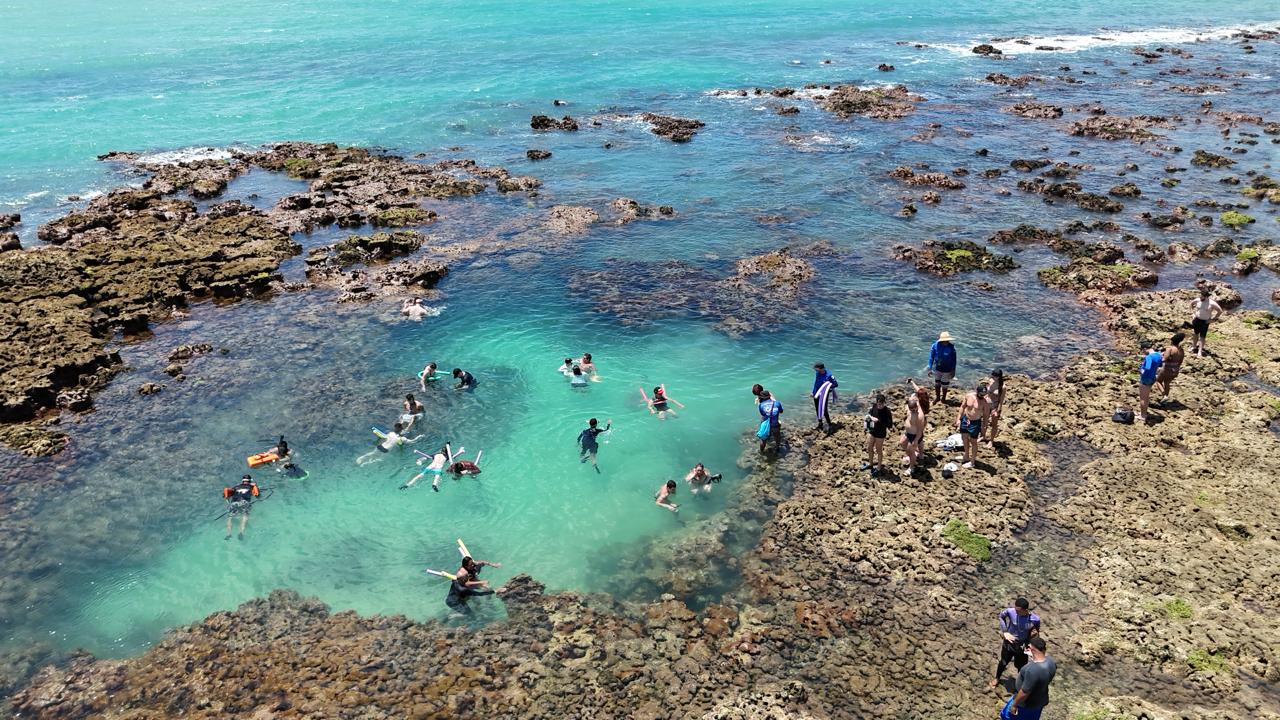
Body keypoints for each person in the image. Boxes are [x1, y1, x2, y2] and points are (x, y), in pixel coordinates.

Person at [989, 597, 1041, 689]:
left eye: (1018, 611)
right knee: (1003, 662)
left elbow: (1036, 631)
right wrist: (1005, 632)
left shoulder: (1034, 619)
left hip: (1022, 646)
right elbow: (1001, 616)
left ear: (1025, 610)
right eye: (1015, 609)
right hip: (1009, 643)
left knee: (1021, 667)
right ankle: (997, 678)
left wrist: (1031, 644)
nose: (1016, 612)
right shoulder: (1010, 611)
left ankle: (1020, 684)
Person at [1000, 637, 1056, 720]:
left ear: (1031, 649)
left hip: (1025, 705)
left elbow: (1024, 692)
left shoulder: (1032, 670)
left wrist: (1014, 705)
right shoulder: (1051, 662)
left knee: (1005, 716)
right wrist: (1033, 655)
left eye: (1029, 647)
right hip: (1040, 701)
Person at [955, 382, 989, 469]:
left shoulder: (985, 402)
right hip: (966, 420)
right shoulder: (969, 396)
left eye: (984, 394)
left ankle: (972, 461)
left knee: (973, 442)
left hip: (975, 423)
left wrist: (984, 427)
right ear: (977, 391)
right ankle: (966, 455)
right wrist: (958, 419)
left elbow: (985, 416)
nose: (982, 396)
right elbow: (962, 407)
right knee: (964, 438)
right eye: (981, 394)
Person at [357, 422, 422, 465]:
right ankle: (365, 463)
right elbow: (412, 441)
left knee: (372, 453)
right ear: (401, 430)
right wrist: (419, 437)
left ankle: (361, 458)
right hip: (386, 450)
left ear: (395, 428)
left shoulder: (390, 433)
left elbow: (382, 437)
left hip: (380, 446)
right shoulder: (402, 439)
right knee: (380, 459)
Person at [861, 394, 894, 476]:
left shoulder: (887, 411)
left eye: (882, 404)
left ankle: (879, 467)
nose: (880, 406)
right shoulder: (874, 406)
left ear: (884, 403)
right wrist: (867, 423)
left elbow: (889, 425)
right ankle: (871, 464)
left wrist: (878, 421)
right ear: (876, 402)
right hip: (872, 431)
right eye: (879, 404)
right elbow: (871, 415)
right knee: (869, 447)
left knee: (878, 450)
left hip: (880, 433)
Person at [222, 474, 259, 540]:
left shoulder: (236, 487)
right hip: (244, 502)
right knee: (245, 516)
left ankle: (229, 533)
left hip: (234, 503)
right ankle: (241, 532)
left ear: (242, 481)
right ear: (250, 481)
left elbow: (226, 494)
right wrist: (255, 486)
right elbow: (257, 495)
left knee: (230, 517)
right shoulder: (251, 486)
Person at [1189, 289, 1223, 358]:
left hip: (1205, 322)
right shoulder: (1198, 300)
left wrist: (1213, 320)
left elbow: (1220, 311)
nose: (1200, 298)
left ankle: (1199, 351)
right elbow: (1191, 304)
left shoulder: (1212, 303)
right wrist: (1192, 313)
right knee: (1195, 334)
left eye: (1202, 297)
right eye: (1200, 296)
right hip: (1196, 319)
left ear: (1206, 296)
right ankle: (1194, 346)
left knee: (1202, 337)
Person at [928, 331, 958, 404]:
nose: (946, 342)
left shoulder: (951, 347)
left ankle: (943, 398)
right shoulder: (935, 346)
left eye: (947, 340)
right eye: (945, 340)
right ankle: (937, 397)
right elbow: (931, 357)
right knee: (937, 383)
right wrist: (930, 367)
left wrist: (953, 370)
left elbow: (954, 360)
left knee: (945, 384)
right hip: (937, 368)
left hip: (947, 369)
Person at [1137, 341, 1163, 423]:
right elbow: (1160, 365)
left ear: (1145, 349)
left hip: (1146, 378)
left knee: (1143, 398)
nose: (1143, 352)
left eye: (1143, 350)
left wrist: (1141, 370)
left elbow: (1147, 367)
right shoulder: (1158, 355)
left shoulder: (1149, 357)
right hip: (1152, 377)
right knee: (1147, 397)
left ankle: (1143, 415)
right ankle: (1143, 412)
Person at [1156, 333, 1185, 405]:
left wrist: (1160, 356)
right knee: (1167, 383)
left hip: (1167, 369)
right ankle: (1164, 401)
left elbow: (1164, 359)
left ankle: (1164, 396)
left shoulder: (1170, 349)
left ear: (1172, 341)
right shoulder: (1181, 350)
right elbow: (1180, 361)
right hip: (1175, 370)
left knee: (1158, 381)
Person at [900, 394, 926, 475]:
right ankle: (914, 456)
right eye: (912, 410)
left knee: (911, 451)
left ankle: (912, 468)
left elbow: (920, 430)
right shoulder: (909, 408)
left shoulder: (919, 416)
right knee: (902, 443)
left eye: (915, 409)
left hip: (915, 435)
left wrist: (916, 440)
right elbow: (912, 398)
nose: (914, 411)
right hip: (908, 433)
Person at [811, 362, 839, 430]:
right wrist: (813, 392)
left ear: (822, 369)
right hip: (816, 394)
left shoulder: (829, 376)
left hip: (823, 395)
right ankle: (820, 424)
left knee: (824, 410)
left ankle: (830, 424)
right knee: (817, 409)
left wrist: (828, 386)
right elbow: (816, 383)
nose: (816, 371)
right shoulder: (818, 373)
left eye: (817, 370)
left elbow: (836, 384)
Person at [984, 369, 1006, 448]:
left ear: (999, 377)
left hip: (995, 406)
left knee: (994, 424)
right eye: (993, 375)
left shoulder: (1002, 387)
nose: (993, 377)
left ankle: (991, 440)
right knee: (984, 422)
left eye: (995, 376)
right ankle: (983, 437)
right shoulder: (990, 381)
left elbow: (1001, 401)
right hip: (986, 404)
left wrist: (998, 410)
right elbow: (986, 392)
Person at [757, 390, 784, 454]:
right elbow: (781, 411)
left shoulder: (761, 405)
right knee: (777, 437)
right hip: (775, 425)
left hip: (767, 425)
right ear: (769, 396)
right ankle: (777, 448)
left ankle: (761, 452)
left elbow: (763, 414)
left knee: (763, 440)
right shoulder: (777, 403)